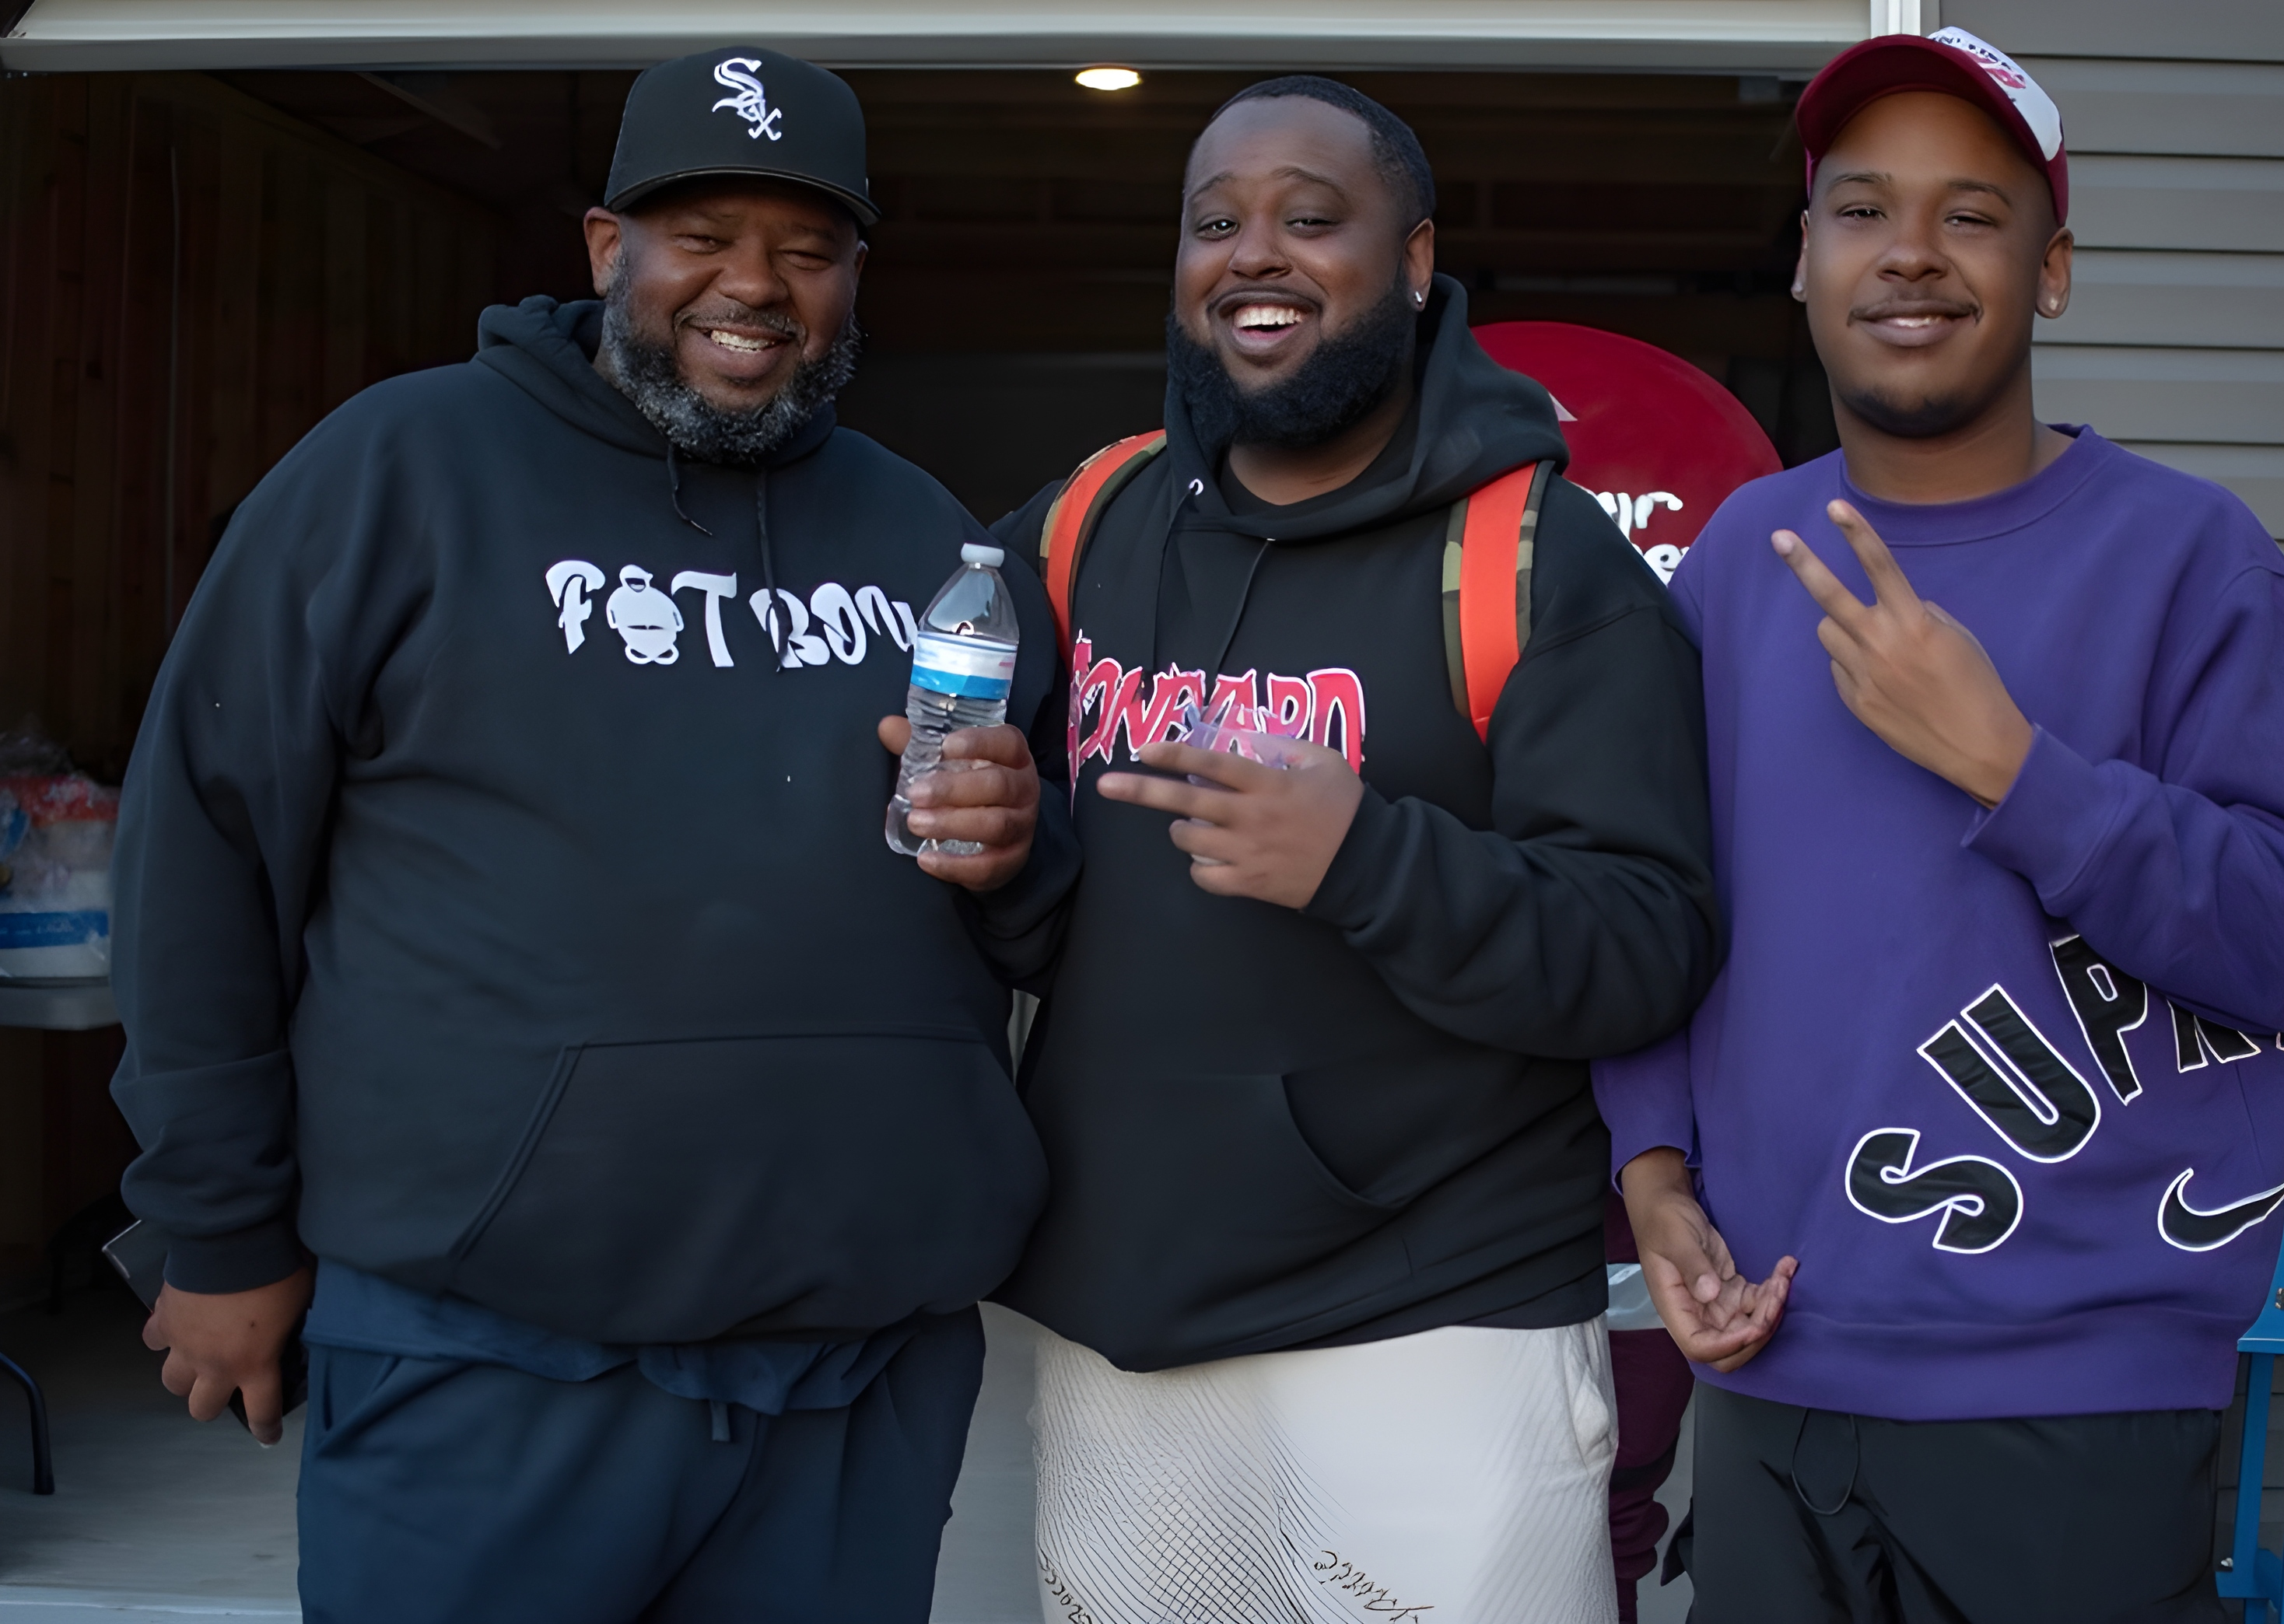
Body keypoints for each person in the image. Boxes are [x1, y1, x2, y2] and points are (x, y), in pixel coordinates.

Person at [108, 47, 1075, 1624]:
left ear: (853, 279)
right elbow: (205, 858)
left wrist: (1021, 856)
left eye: (808, 248)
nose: (752, 285)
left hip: (858, 1370)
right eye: (702, 233)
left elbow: (1041, 918)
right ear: (604, 246)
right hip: (481, 1356)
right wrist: (218, 1235)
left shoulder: (927, 535)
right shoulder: (397, 474)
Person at [1594, 29, 2284, 1624]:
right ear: (1805, 261)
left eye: (1972, 214)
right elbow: (1655, 902)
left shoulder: (2190, 560)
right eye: (1862, 209)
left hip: (2076, 1389)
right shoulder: (1748, 554)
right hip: (1776, 1362)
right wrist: (1656, 1174)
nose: (1910, 256)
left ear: (2052, 270)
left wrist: (2019, 768)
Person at [987, 76, 1720, 1623]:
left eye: (1312, 219)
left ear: (1411, 260)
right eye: (1215, 222)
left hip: (1432, 1328)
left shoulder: (1531, 558)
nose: (1255, 254)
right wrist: (989, 854)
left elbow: (1645, 946)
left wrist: (1363, 861)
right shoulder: (1086, 525)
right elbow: (1046, 904)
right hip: (1125, 1324)